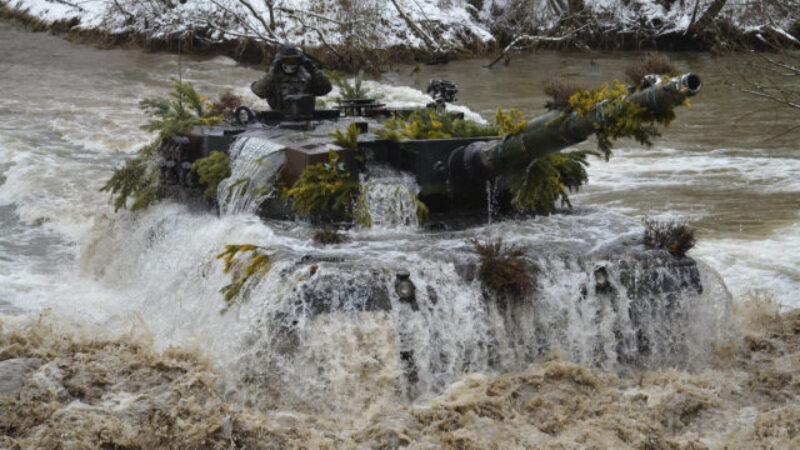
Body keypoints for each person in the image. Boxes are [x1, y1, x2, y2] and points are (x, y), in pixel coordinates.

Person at [251, 43, 332, 113]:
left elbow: (326, 89)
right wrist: (273, 70)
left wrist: (312, 68)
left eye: (293, 60)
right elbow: (259, 91)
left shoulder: (307, 75)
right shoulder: (273, 76)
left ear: (298, 60)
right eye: (287, 60)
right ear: (281, 61)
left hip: (305, 117)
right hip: (279, 118)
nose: (290, 63)